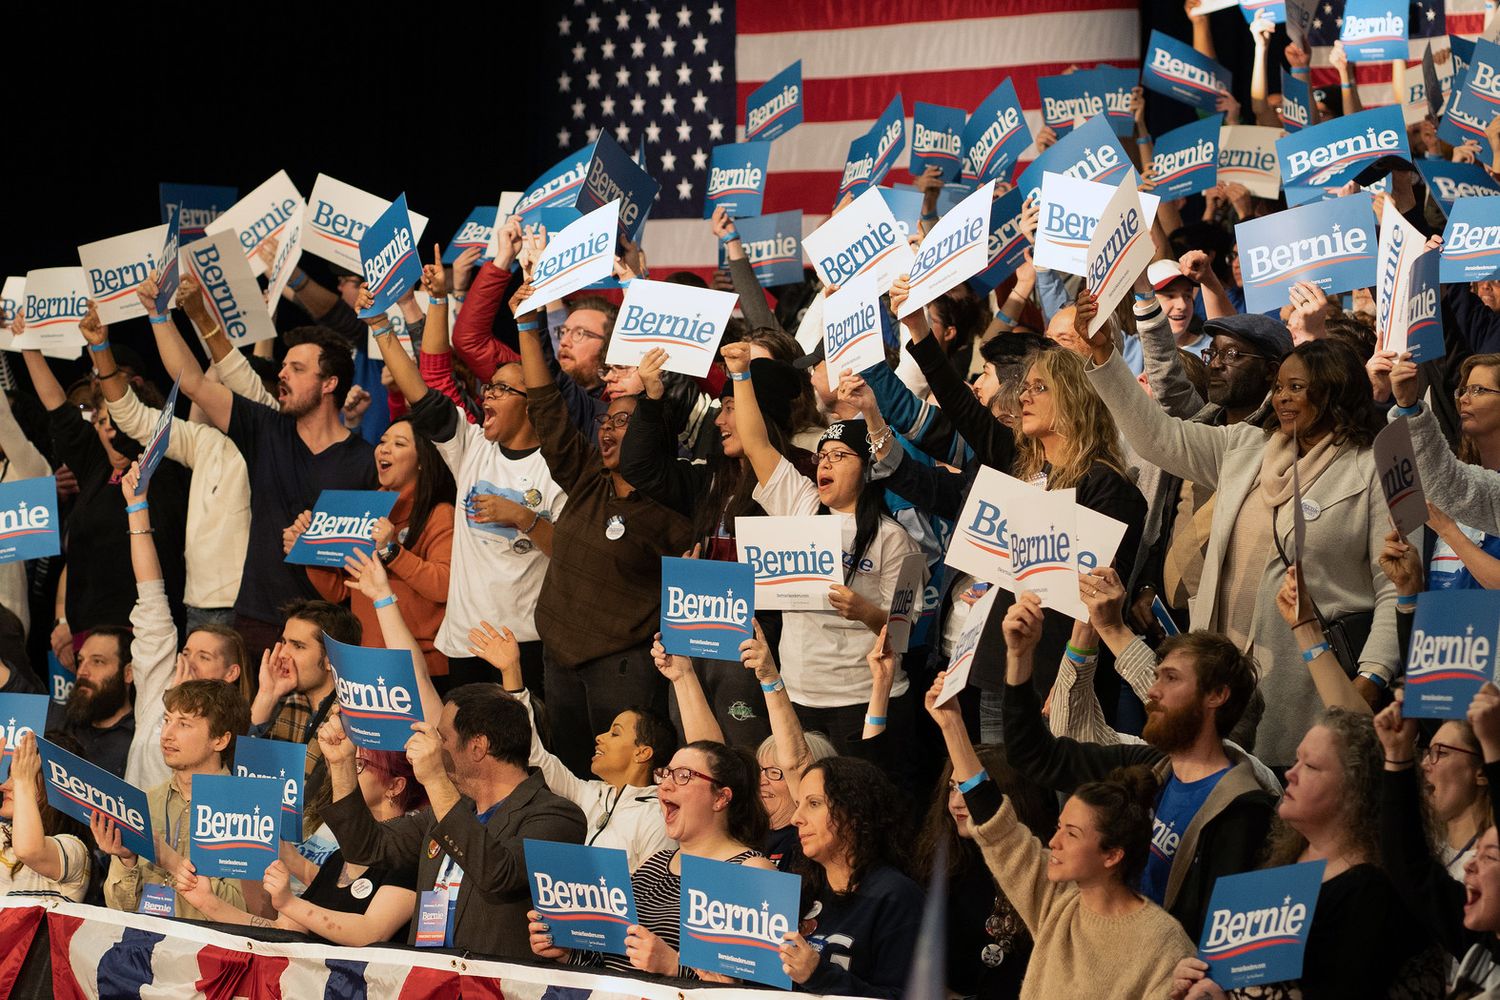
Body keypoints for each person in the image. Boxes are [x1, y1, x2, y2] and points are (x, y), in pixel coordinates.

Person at [1077, 277, 1400, 768]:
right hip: (1218, 676)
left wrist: (1371, 678)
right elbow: (1156, 437)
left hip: (1311, 680)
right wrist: (1104, 357)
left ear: (1333, 392)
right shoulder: (1245, 447)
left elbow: (1395, 587)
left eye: (1297, 387)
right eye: (1280, 387)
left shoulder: (1372, 469)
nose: (1283, 398)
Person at [998, 591, 1276, 939]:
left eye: (1170, 678)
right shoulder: (1149, 768)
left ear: (1216, 695)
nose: (1153, 691)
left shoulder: (1243, 809)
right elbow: (1035, 755)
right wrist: (1019, 657)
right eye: (1156, 677)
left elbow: (1222, 938)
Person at [511, 268, 693, 776]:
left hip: (623, 667)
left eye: (624, 422)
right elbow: (547, 409)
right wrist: (528, 326)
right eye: (607, 421)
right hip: (559, 660)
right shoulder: (589, 476)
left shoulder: (672, 506)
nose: (610, 430)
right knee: (570, 776)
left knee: (623, 781)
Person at [144, 271, 376, 664]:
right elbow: (194, 384)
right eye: (284, 366)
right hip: (256, 621)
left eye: (297, 369)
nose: (282, 374)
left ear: (329, 384)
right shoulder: (267, 430)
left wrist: (316, 543)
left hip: (328, 629)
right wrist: (158, 316)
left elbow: (369, 553)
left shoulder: (367, 461)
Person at [927, 672, 1195, 999]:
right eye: (1058, 829)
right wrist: (951, 724)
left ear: (1112, 855)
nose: (1054, 843)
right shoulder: (1057, 902)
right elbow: (997, 827)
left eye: (1072, 833)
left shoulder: (1163, 942)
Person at [370, 247, 565, 693]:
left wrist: (522, 517)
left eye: (502, 389)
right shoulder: (470, 445)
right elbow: (422, 387)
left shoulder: (558, 467)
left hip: (524, 645)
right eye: (488, 388)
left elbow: (569, 553)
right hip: (461, 644)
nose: (488, 396)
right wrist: (380, 325)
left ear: (532, 402)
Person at [723, 340, 924, 750]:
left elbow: (904, 631)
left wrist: (866, 612)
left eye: (839, 456)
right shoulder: (798, 503)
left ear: (867, 470)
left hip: (863, 697)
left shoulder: (894, 537)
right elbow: (757, 443)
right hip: (797, 693)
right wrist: (741, 374)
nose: (825, 464)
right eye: (822, 457)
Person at [1170, 708, 1444, 999]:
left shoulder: (1373, 892)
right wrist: (1199, 977)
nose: (1291, 773)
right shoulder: (1283, 858)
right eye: (1297, 759)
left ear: (1356, 790)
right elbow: (1239, 974)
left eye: (1310, 766)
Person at [619, 348, 808, 748]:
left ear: (759, 413)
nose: (719, 421)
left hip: (751, 642)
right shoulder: (710, 478)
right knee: (697, 753)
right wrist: (651, 400)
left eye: (730, 408)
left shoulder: (799, 479)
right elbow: (640, 467)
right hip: (694, 633)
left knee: (744, 756)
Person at [318, 685, 587, 958]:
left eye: (441, 737)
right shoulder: (446, 810)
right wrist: (342, 765)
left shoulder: (557, 816)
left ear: (478, 747)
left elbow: (498, 874)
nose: (433, 746)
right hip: (427, 982)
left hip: (494, 988)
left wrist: (435, 779)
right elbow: (365, 847)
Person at [528, 740, 775, 980]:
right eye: (665, 774)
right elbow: (607, 964)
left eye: (683, 775)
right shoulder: (654, 864)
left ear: (721, 798)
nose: (665, 785)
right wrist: (567, 954)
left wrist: (673, 966)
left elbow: (752, 990)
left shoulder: (751, 871)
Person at [15, 309, 190, 638]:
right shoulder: (94, 463)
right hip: (87, 629)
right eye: (103, 420)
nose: (109, 428)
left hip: (145, 630)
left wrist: (101, 349)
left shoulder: (166, 466)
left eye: (118, 421)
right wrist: (28, 346)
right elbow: (57, 406)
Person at [95, 280, 251, 632]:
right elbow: (133, 417)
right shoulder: (206, 442)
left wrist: (195, 316)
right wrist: (100, 348)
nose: (212, 398)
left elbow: (229, 382)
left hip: (247, 607)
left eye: (222, 390)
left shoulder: (271, 438)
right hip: (197, 605)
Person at [469, 618, 676, 871]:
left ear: (642, 753)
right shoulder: (589, 795)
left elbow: (655, 895)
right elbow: (535, 755)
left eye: (615, 733)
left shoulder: (658, 815)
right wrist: (511, 672)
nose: (599, 737)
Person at [176, 746, 428, 946]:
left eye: (358, 764)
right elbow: (281, 931)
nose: (345, 772)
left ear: (395, 786)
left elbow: (371, 932)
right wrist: (208, 903)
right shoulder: (340, 858)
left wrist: (288, 902)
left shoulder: (408, 856)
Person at [285, 406, 456, 680]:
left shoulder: (439, 514)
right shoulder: (364, 508)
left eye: (399, 444)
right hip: (367, 660)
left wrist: (392, 552)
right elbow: (341, 592)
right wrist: (310, 551)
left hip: (421, 665)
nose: (384, 449)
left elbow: (443, 585)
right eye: (382, 442)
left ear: (423, 460)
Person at [654, 625, 837, 868]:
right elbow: (710, 755)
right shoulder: (743, 830)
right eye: (761, 770)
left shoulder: (809, 840)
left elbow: (796, 761)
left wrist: (770, 679)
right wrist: (682, 675)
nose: (761, 781)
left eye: (774, 772)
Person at [119, 460, 248, 790]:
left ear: (231, 673)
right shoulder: (160, 683)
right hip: (129, 839)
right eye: (187, 651)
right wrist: (137, 507)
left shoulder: (232, 729)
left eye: (204, 657)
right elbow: (150, 594)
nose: (188, 661)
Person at [1377, 683, 1500, 995]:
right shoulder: (1480, 937)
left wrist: (1494, 745)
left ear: (1481, 772)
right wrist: (1397, 755)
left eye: (1441, 753)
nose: (1472, 864)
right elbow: (1411, 868)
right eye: (1427, 751)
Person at [912, 745, 1058, 1000]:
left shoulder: (1039, 871)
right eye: (952, 788)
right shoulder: (941, 860)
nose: (956, 803)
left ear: (1008, 796)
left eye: (967, 789)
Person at [97, 679, 250, 918]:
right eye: (166, 720)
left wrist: (173, 863)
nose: (167, 734)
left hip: (207, 951)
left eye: (184, 724)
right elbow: (118, 909)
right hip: (144, 947)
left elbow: (246, 914)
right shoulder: (146, 802)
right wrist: (127, 859)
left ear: (220, 740)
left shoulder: (246, 810)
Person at [778, 756, 926, 997]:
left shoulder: (897, 897)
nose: (796, 818)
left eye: (814, 804)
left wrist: (819, 976)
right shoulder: (801, 889)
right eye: (797, 804)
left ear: (855, 813)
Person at [1420, 353, 1500, 590]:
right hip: (1443, 624)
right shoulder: (1452, 483)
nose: (1465, 398)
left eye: (1478, 390)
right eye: (1463, 390)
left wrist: (1448, 531)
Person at [0, 731, 91, 900]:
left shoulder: (75, 850)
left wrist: (23, 783)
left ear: (56, 787)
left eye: (21, 774)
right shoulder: (3, 833)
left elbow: (29, 851)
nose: (4, 786)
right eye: (10, 775)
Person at [45, 624, 135, 778]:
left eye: (98, 662)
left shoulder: (139, 741)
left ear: (128, 673)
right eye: (80, 661)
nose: (82, 672)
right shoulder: (59, 721)